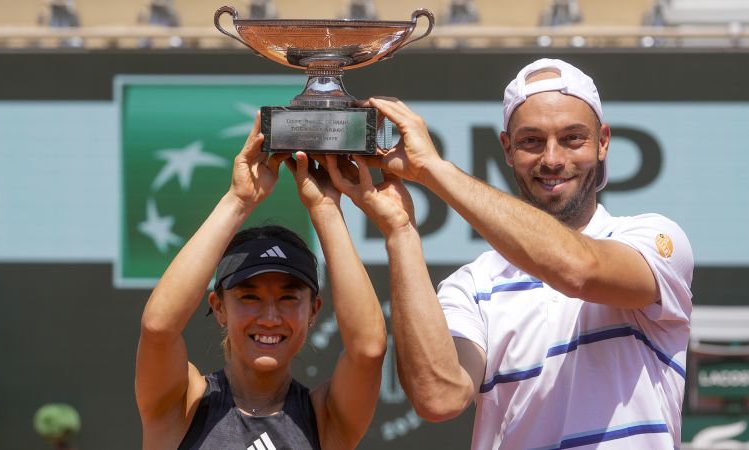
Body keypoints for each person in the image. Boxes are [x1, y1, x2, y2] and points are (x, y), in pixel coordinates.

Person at [326, 58, 694, 449]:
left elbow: (579, 270)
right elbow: (439, 397)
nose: (552, 159)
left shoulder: (653, 238)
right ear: (506, 147)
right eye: (531, 141)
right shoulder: (473, 284)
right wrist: (401, 232)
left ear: (603, 142)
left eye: (573, 138)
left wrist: (433, 169)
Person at [134, 113, 387, 450]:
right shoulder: (185, 405)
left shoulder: (324, 419)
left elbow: (368, 350)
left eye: (287, 298)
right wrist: (239, 201)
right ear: (219, 307)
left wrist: (325, 209)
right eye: (249, 297)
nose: (269, 317)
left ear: (314, 310)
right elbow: (158, 328)